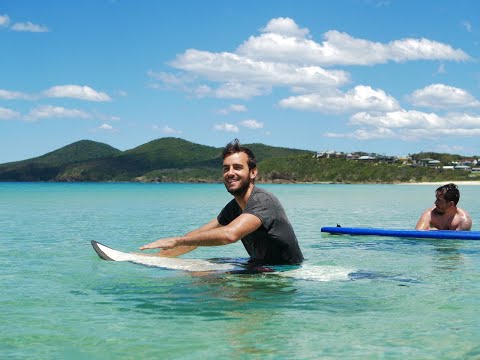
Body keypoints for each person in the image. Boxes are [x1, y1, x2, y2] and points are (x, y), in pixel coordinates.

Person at [140, 139, 304, 265]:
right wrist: (156, 258)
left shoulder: (262, 201)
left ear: (253, 172)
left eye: (237, 167)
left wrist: (176, 240)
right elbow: (196, 238)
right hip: (260, 267)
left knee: (202, 283)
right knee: (202, 272)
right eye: (226, 168)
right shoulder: (234, 208)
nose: (230, 173)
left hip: (283, 273)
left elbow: (229, 235)